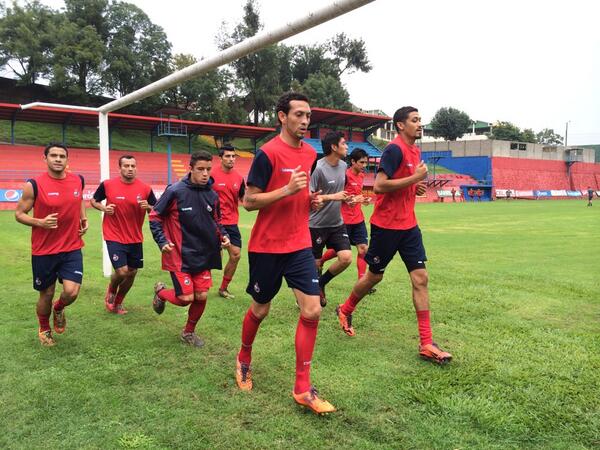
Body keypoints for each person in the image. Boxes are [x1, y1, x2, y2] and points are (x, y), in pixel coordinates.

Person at [234, 92, 335, 415]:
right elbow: (249, 202)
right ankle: (244, 358)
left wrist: (309, 199)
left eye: (308, 116)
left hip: (299, 245)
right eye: (299, 115)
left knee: (313, 309)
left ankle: (302, 387)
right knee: (260, 310)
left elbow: (301, 195)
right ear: (282, 116)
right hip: (266, 247)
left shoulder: (309, 153)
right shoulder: (267, 154)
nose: (305, 122)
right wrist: (287, 190)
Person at [335, 106, 452, 365]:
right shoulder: (394, 149)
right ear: (400, 125)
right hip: (386, 226)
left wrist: (415, 184)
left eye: (420, 119)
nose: (420, 124)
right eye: (415, 120)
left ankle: (426, 343)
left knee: (421, 278)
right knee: (373, 276)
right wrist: (413, 180)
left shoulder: (415, 150)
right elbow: (379, 185)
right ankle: (345, 310)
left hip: (409, 226)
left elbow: (407, 181)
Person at [149, 151, 230, 348]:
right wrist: (162, 241)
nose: (205, 174)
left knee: (201, 296)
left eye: (208, 170)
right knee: (186, 298)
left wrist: (224, 236)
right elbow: (155, 217)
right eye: (200, 169)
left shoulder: (212, 195)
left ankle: (188, 333)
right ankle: (161, 293)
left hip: (204, 254)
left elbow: (217, 221)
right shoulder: (175, 191)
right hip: (179, 255)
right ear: (191, 168)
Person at [15, 143, 88, 346]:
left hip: (72, 246)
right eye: (53, 155)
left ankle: (59, 308)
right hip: (44, 250)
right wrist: (40, 222)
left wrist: (83, 218)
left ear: (67, 160)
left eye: (62, 156)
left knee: (72, 291)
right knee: (46, 293)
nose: (58, 159)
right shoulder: (34, 184)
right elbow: (19, 214)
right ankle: (44, 328)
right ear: (45, 158)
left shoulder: (77, 180)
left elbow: (79, 198)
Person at [91, 155, 156, 314]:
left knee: (132, 272)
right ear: (119, 168)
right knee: (122, 271)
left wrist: (148, 207)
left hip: (134, 237)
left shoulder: (145, 188)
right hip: (114, 234)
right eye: (126, 166)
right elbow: (94, 200)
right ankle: (112, 290)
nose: (130, 169)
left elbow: (156, 209)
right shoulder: (108, 185)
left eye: (133, 166)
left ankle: (119, 302)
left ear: (136, 168)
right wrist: (103, 208)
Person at [319, 147, 374, 291]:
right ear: (353, 161)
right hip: (344, 219)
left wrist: (363, 200)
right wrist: (351, 199)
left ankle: (362, 282)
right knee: (340, 250)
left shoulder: (361, 176)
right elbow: (337, 195)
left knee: (363, 249)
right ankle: (321, 261)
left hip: (358, 219)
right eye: (361, 162)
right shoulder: (344, 176)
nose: (364, 166)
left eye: (366, 163)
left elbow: (356, 195)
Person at [308, 130, 351, 307]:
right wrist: (333, 197)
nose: (347, 146)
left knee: (346, 258)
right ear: (334, 147)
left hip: (337, 223)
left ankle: (322, 282)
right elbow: (311, 198)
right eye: (343, 143)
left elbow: (342, 194)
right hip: (316, 224)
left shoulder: (343, 166)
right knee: (315, 264)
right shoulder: (318, 168)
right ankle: (310, 292)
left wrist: (350, 199)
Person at [211, 144, 246, 299]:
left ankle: (223, 288)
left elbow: (244, 199)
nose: (231, 159)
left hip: (231, 222)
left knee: (236, 255)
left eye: (233, 156)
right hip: (213, 222)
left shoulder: (239, 178)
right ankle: (199, 286)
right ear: (221, 158)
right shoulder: (210, 175)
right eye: (228, 156)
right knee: (209, 257)